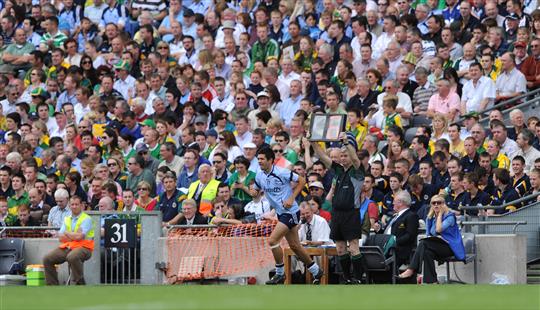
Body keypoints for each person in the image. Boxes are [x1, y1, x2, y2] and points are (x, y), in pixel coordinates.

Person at [251, 147, 323, 285]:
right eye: (258, 159)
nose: (259, 161)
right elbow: (255, 189)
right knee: (295, 246)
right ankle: (316, 271)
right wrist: (253, 192)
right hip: (280, 213)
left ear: (270, 160)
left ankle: (279, 274)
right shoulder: (259, 175)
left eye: (262, 159)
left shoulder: (281, 172)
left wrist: (292, 198)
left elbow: (302, 180)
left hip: (290, 212)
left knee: (273, 241)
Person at [311, 132, 365, 284]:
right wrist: (314, 142)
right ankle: (347, 278)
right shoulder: (339, 171)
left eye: (345, 155)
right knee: (340, 248)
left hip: (351, 213)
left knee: (353, 247)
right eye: (341, 156)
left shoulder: (357, 172)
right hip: (337, 214)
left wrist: (347, 143)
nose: (343, 158)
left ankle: (358, 278)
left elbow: (355, 159)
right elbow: (323, 158)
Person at [398, 195, 465, 284]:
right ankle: (432, 282)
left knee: (423, 243)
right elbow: (428, 235)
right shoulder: (430, 218)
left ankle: (411, 269)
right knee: (426, 252)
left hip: (450, 247)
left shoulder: (450, 217)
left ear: (444, 204)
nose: (436, 205)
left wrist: (440, 214)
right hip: (437, 246)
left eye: (439, 203)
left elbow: (438, 229)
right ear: (431, 205)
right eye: (434, 203)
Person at [43, 195, 94, 285]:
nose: (74, 207)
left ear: (82, 205)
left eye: (76, 204)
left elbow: (79, 237)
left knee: (72, 256)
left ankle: (80, 283)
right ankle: (52, 285)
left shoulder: (87, 219)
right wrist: (73, 234)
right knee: (47, 259)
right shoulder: (67, 219)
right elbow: (61, 237)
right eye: (72, 204)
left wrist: (67, 233)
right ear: (69, 206)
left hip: (84, 247)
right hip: (69, 246)